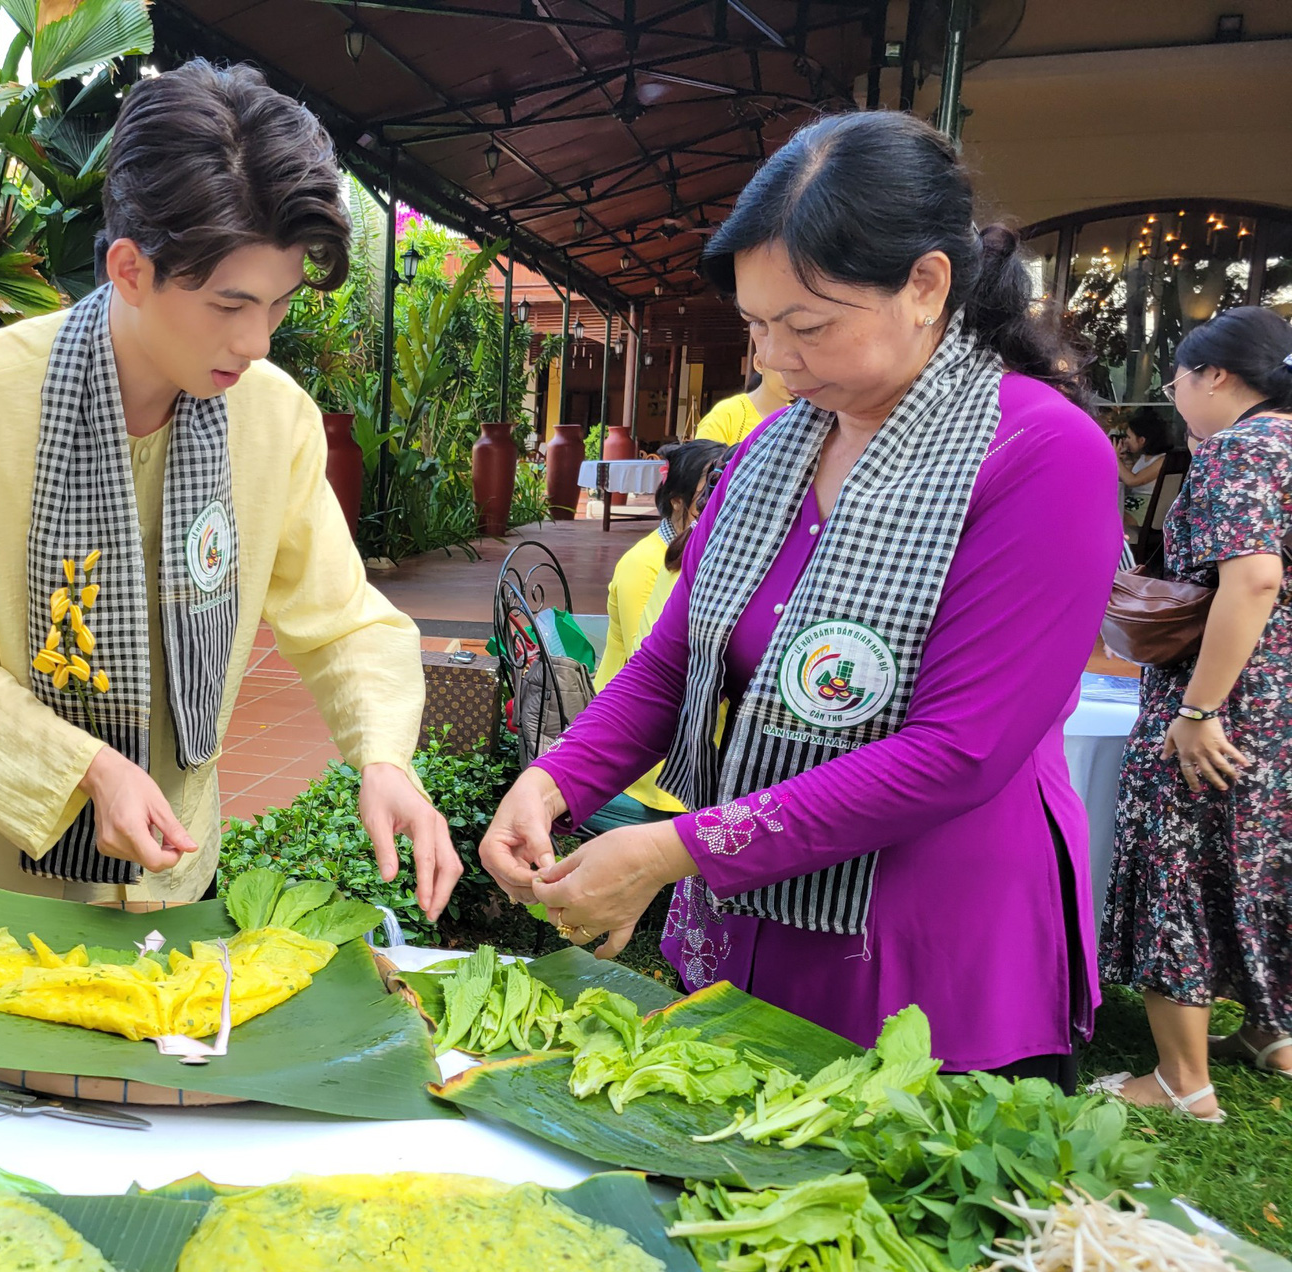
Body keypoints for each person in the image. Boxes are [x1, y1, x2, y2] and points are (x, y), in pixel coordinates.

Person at [479, 110, 1119, 1081]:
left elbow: (959, 751)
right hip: (755, 916)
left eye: (806, 325)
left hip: (929, 951)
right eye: (755, 326)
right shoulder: (767, 453)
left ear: (923, 286)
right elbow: (674, 660)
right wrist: (554, 779)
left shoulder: (1038, 455)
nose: (770, 358)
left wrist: (668, 852)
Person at [0, 61, 461, 917]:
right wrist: (82, 770)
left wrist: (384, 760)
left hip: (178, 858)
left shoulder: (272, 416)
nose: (255, 341)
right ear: (130, 268)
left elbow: (340, 616)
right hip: (5, 851)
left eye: (279, 306)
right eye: (227, 305)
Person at [1098, 307, 1292, 1122]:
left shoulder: (1236, 452)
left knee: (1176, 862)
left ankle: (1182, 1079)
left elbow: (1252, 579)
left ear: (1215, 374)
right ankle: (1272, 1036)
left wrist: (1198, 707)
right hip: (1283, 705)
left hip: (1228, 704)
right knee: (1264, 865)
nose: (1176, 398)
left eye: (1177, 379)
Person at [589, 440, 727, 826]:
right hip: (648, 754)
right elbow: (652, 674)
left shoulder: (694, 558)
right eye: (709, 496)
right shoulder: (646, 566)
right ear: (680, 503)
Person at [693, 350, 792, 446]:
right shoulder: (726, 415)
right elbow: (701, 460)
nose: (794, 378)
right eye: (785, 369)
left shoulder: (801, 417)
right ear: (759, 363)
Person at [1115, 406, 1179, 531]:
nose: (1126, 441)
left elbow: (1132, 480)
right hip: (1132, 503)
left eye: (1129, 437)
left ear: (1142, 440)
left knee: (1109, 517)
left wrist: (1114, 458)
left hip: (1147, 509)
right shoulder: (1143, 458)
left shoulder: (1162, 460)